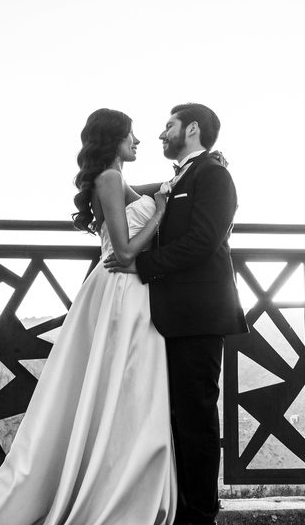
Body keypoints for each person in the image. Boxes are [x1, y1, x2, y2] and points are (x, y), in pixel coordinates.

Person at [0, 108, 176, 525]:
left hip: (122, 292)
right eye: (131, 135)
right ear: (113, 139)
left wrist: (172, 185)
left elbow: (144, 194)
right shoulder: (110, 179)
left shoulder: (116, 179)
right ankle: (115, 488)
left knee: (113, 390)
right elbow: (126, 252)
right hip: (123, 290)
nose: (139, 141)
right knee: (128, 389)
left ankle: (109, 481)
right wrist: (163, 213)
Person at [103, 103, 248, 525]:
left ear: (192, 129)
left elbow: (205, 240)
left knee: (196, 418)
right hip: (166, 316)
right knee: (172, 417)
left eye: (169, 125)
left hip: (199, 314)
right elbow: (136, 196)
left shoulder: (214, 175)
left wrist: (142, 264)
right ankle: (177, 505)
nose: (161, 133)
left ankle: (201, 514)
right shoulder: (180, 177)